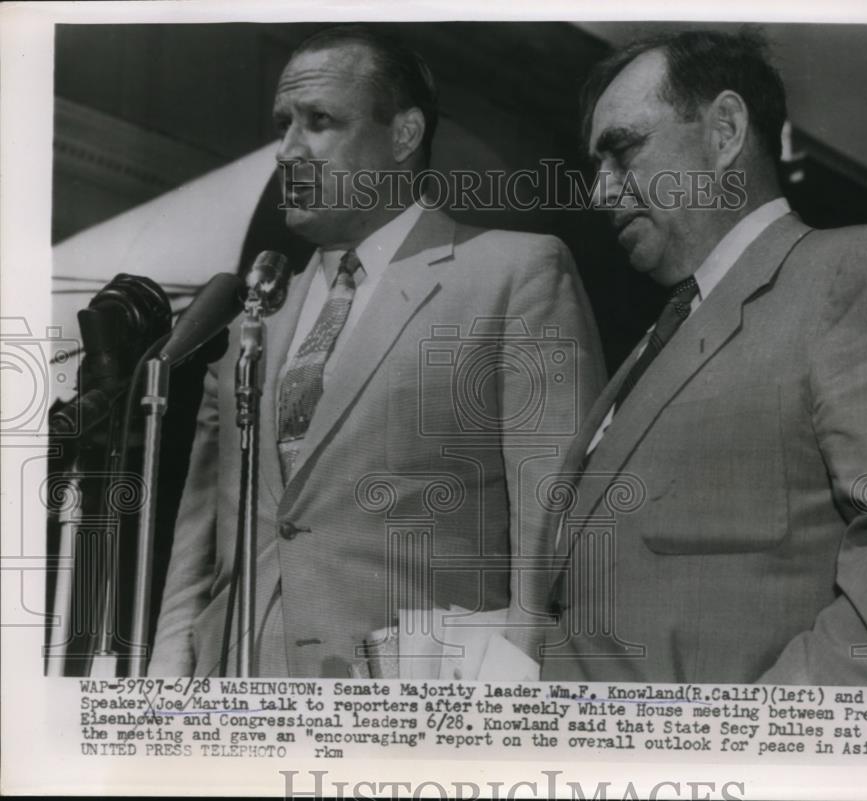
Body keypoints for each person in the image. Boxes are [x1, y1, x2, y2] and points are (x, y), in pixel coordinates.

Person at [149, 25, 604, 677]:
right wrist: (169, 671)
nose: (286, 150)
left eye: (319, 121)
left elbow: (555, 518)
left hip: (414, 708)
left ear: (404, 135)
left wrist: (518, 688)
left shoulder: (516, 272)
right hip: (238, 699)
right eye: (283, 124)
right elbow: (199, 537)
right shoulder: (256, 308)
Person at [540, 29, 867, 687]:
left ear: (725, 130)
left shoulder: (857, 268)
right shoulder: (655, 341)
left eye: (623, 150)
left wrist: (749, 747)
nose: (600, 193)